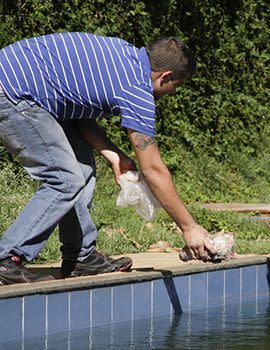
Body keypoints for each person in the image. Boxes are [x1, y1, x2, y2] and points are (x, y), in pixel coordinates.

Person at [0, 32, 216, 285]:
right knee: (65, 180)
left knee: (80, 172)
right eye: (174, 87)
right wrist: (189, 228)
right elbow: (154, 169)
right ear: (166, 76)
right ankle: (6, 259)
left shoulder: (123, 58)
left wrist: (114, 156)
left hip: (29, 92)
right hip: (13, 93)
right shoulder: (137, 89)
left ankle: (81, 258)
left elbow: (77, 107)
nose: (171, 93)